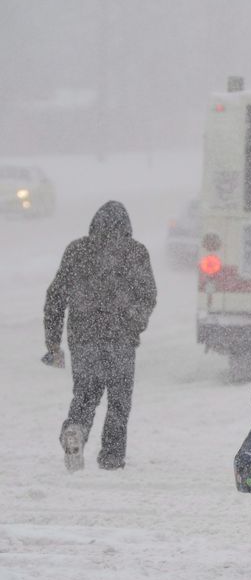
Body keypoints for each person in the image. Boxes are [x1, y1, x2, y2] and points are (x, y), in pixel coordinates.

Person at [43, 201, 157, 471]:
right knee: (119, 401)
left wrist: (53, 340)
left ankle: (76, 430)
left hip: (84, 337)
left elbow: (56, 297)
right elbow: (148, 295)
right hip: (120, 338)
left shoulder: (77, 251)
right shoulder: (135, 252)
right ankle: (112, 457)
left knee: (85, 394)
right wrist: (134, 323)